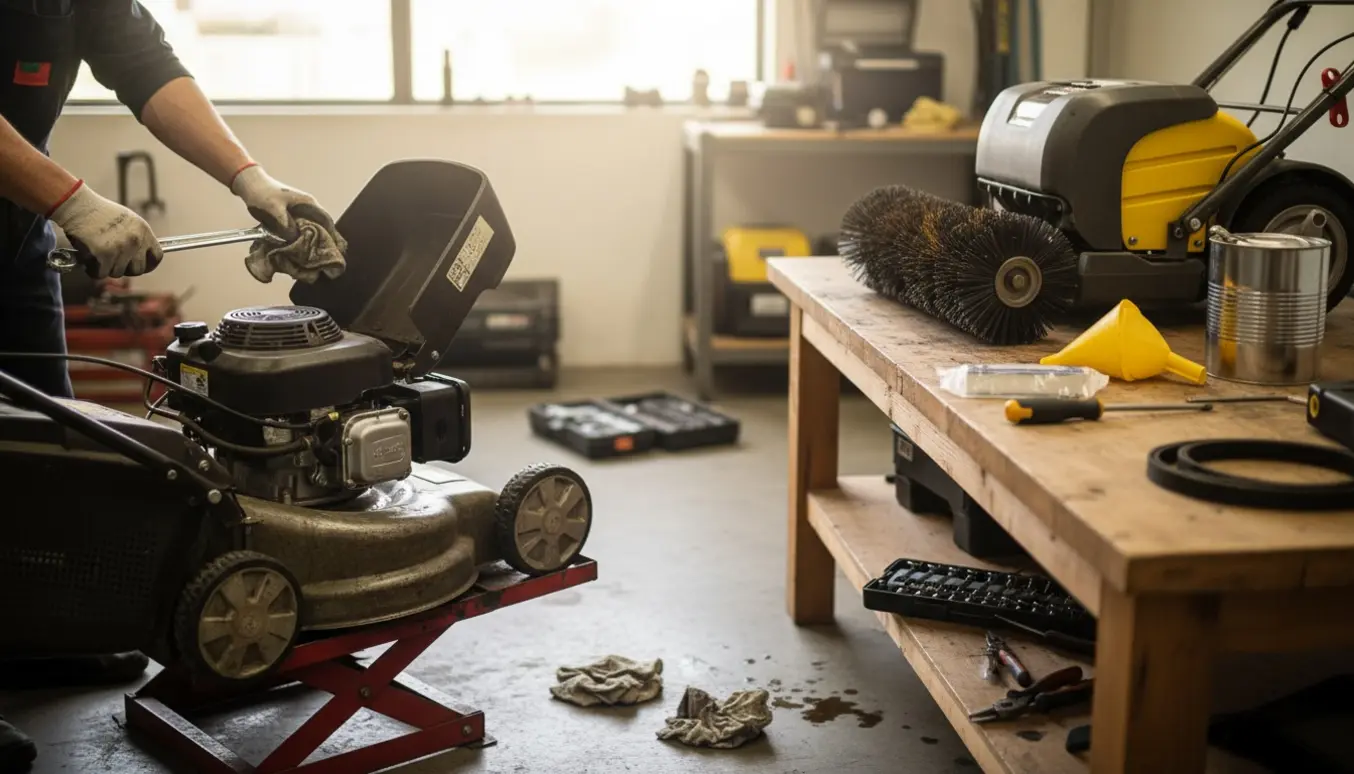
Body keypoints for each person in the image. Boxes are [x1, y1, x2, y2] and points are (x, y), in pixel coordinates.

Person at [0, 2, 345, 770]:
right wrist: (74, 200)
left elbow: (144, 65)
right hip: (29, 204)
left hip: (9, 232)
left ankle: (28, 639)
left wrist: (249, 179)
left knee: (42, 444)